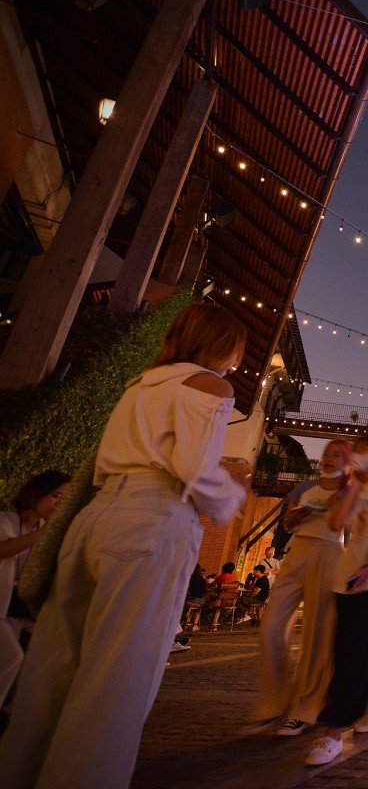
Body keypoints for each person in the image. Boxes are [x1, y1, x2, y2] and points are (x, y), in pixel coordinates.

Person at [0, 303, 249, 788]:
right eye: (235, 352)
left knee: (50, 675)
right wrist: (232, 494)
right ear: (220, 346)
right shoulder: (209, 386)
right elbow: (194, 469)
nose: (235, 364)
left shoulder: (142, 384)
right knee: (115, 682)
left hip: (94, 519)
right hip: (152, 519)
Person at [305, 436, 368, 767]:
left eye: (362, 450)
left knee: (356, 653)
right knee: (346, 649)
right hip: (347, 577)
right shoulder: (354, 488)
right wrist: (350, 488)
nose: (357, 455)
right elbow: (336, 524)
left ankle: (334, 732)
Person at [246, 439, 352, 738]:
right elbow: (288, 522)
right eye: (327, 453)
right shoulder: (305, 488)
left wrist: (342, 497)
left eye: (337, 455)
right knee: (271, 628)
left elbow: (339, 524)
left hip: (329, 554)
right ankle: (274, 702)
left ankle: (305, 709)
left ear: (348, 461)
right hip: (298, 552)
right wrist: (297, 515)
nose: (329, 458)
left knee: (317, 635)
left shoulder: (350, 490)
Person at [0, 471, 69, 708]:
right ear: (35, 495)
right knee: (11, 656)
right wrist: (44, 533)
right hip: (6, 606)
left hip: (16, 606)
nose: (59, 503)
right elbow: (4, 550)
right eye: (55, 496)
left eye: (65, 499)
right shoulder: (7, 520)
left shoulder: (42, 528)